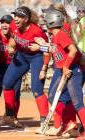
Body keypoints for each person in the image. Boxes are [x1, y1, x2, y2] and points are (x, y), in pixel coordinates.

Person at [30, 9, 85, 140]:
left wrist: (66, 66)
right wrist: (41, 47)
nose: (44, 23)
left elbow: (72, 50)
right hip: (63, 71)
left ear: (52, 21)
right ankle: (69, 124)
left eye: (46, 20)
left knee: (77, 102)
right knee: (53, 96)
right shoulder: (55, 36)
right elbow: (54, 49)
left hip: (72, 71)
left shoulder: (60, 34)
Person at [0, 6, 49, 133]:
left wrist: (39, 48)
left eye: (19, 16)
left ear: (26, 19)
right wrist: (11, 47)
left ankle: (45, 121)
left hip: (36, 58)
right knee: (7, 84)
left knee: (37, 89)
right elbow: (13, 37)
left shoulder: (37, 31)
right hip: (21, 55)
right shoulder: (13, 25)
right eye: (15, 15)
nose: (15, 18)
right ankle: (10, 116)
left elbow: (49, 49)